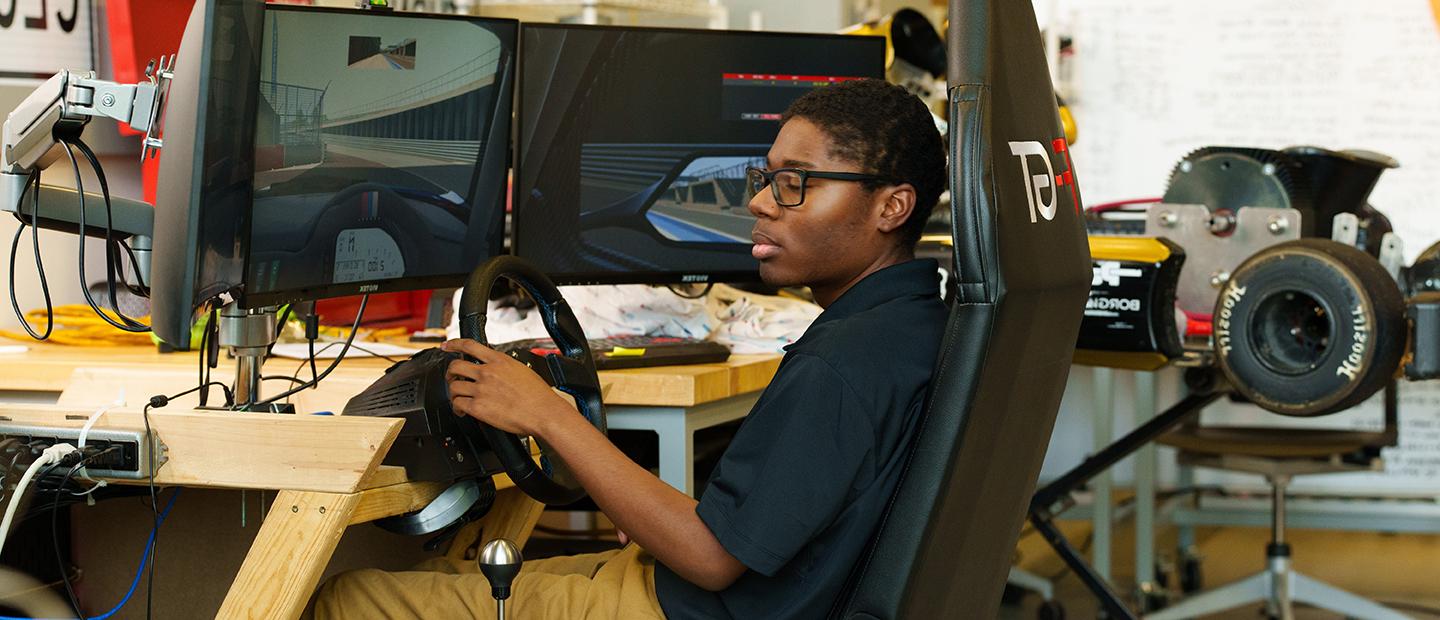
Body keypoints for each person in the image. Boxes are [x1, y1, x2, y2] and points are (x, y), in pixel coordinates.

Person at [305, 78, 948, 620]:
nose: (758, 201)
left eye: (794, 183)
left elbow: (712, 559)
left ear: (892, 207)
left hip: (682, 607)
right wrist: (641, 500)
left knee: (347, 597)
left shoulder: (839, 365)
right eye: (767, 178)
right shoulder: (908, 326)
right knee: (452, 571)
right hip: (709, 592)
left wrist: (547, 415)